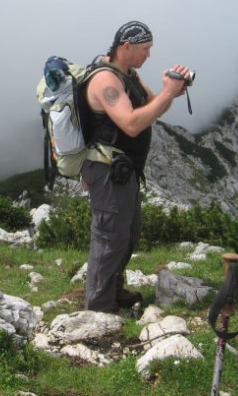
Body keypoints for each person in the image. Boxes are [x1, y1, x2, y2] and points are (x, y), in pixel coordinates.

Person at [80, 21, 193, 314]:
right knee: (109, 238)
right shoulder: (106, 81)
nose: (149, 55)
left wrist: (173, 91)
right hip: (106, 171)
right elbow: (131, 124)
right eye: (145, 49)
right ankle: (99, 308)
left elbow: (151, 107)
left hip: (123, 171)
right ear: (126, 47)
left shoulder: (129, 75)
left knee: (127, 233)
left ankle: (114, 292)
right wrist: (167, 95)